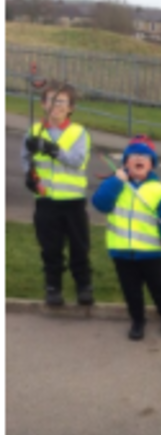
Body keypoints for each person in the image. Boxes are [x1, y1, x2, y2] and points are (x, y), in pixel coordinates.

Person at [92, 135, 161, 341]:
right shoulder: (115, 184)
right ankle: (137, 321)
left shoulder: (160, 189)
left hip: (149, 252)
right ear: (125, 162)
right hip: (121, 250)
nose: (139, 159)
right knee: (131, 291)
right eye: (133, 155)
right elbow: (100, 204)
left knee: (159, 289)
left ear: (152, 164)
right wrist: (115, 181)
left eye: (145, 156)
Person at [21, 80, 93, 307]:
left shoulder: (79, 133)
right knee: (50, 247)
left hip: (72, 202)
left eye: (61, 101)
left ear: (70, 107)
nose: (56, 105)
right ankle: (53, 287)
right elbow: (26, 160)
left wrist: (51, 149)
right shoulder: (33, 132)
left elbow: (77, 160)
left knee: (78, 246)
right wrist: (30, 178)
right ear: (43, 104)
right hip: (46, 201)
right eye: (51, 100)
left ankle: (83, 286)